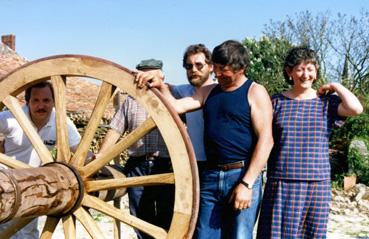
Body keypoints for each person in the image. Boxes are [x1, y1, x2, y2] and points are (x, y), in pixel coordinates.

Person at [136, 40, 274, 239]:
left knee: (239, 235)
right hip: (210, 176)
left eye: (222, 69)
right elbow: (176, 107)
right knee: (204, 235)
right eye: (215, 68)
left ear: (240, 68)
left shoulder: (255, 92)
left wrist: (247, 184)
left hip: (241, 174)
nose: (216, 74)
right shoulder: (209, 91)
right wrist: (160, 86)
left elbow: (266, 140)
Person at [256, 46, 363, 238]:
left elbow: (356, 109)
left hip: (316, 182)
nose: (305, 74)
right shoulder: (275, 103)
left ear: (316, 71)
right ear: (289, 72)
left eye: (310, 68)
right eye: (299, 69)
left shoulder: (327, 103)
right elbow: (263, 139)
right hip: (282, 181)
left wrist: (336, 86)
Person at [98, 59, 173, 239]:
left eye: (151, 75)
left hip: (165, 165)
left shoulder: (171, 97)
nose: (145, 79)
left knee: (167, 215)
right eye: (142, 74)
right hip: (137, 166)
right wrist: (100, 156)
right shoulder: (130, 101)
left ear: (161, 76)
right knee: (140, 216)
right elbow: (115, 129)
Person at [0, 81, 81, 239]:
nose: (41, 105)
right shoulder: (11, 118)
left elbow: (80, 150)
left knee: (29, 231)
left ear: (53, 102)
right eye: (35, 100)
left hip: (35, 186)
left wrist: (95, 161)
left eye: (46, 100)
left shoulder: (61, 122)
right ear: (27, 102)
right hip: (5, 184)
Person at [171, 43, 214, 172]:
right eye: (189, 66)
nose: (193, 69)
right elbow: (166, 87)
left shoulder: (219, 91)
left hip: (217, 162)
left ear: (211, 67)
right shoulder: (183, 91)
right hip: (194, 161)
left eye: (199, 65)